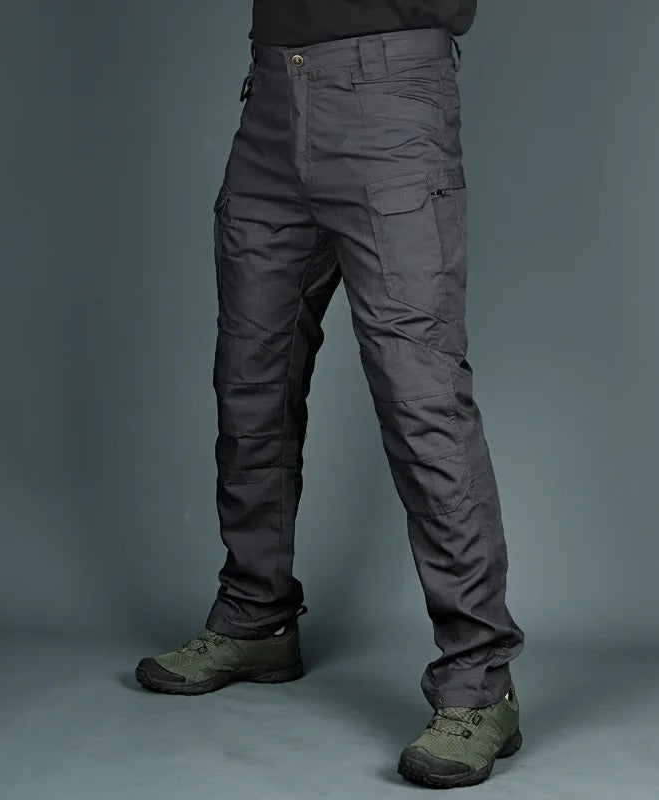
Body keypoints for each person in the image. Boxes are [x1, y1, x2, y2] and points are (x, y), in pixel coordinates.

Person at [135, 1, 525, 788]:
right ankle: (255, 615)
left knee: (422, 403)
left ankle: (480, 684)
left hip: (391, 99)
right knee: (251, 379)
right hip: (273, 100)